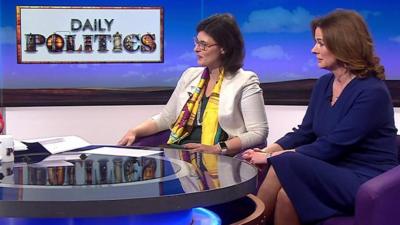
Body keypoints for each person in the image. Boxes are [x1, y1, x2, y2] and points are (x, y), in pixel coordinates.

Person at [242, 9, 398, 225]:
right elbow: (305, 132)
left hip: (365, 177)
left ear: (343, 44)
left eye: (320, 43)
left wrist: (271, 159)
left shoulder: (372, 92)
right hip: (331, 169)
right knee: (287, 196)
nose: (313, 49)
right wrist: (265, 151)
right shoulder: (324, 84)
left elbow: (333, 145)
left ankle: (249, 223)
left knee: (285, 163)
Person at [119, 13, 268, 155]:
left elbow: (258, 132)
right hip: (180, 150)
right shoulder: (190, 75)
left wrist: (217, 148)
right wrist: (135, 131)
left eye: (204, 45)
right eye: (196, 42)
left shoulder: (245, 80)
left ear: (224, 48)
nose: (196, 49)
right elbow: (166, 118)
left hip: (218, 156)